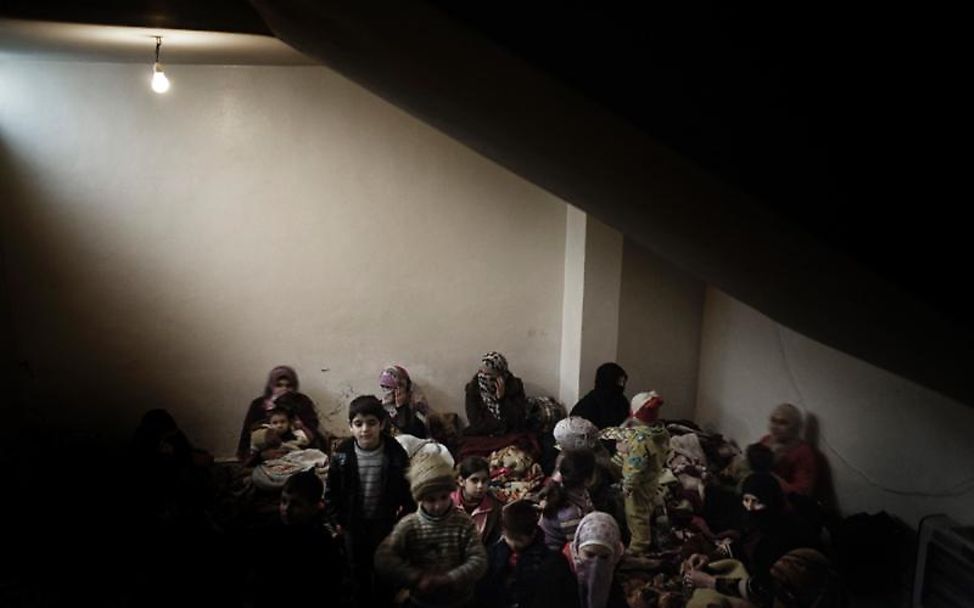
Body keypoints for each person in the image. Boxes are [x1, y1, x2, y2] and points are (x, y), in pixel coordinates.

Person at [325, 395, 415, 606]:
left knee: (384, 569)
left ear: (382, 424)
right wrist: (339, 521)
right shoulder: (342, 454)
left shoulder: (395, 452)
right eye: (358, 424)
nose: (365, 429)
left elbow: (409, 491)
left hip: (384, 524)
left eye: (371, 423)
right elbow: (331, 493)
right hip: (353, 525)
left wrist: (402, 520)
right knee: (358, 571)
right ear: (350, 427)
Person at [374, 453, 488, 608]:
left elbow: (479, 559)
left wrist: (450, 578)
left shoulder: (463, 523)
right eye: (431, 499)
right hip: (422, 602)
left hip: (461, 601)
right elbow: (384, 557)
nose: (438, 505)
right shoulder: (410, 525)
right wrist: (414, 577)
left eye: (443, 497)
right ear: (420, 499)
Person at [250, 469, 345, 607]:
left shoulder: (321, 541)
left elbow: (328, 586)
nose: (286, 509)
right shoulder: (269, 530)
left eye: (296, 504)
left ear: (315, 507)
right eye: (283, 501)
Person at [533, 512, 628, 608]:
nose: (596, 564)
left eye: (604, 557)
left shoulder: (612, 577)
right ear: (577, 549)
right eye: (590, 555)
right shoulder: (553, 575)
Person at [616, 391, 670, 555]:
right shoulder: (661, 432)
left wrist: (628, 485)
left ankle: (639, 546)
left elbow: (636, 465)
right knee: (647, 506)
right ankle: (652, 525)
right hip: (653, 477)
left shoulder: (640, 441)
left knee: (636, 514)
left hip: (638, 483)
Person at [237, 365, 326, 460]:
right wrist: (262, 455)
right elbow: (247, 437)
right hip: (265, 456)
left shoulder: (302, 402)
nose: (284, 389)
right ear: (271, 386)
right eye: (279, 385)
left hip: (299, 453)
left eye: (289, 386)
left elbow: (311, 432)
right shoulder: (258, 405)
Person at [476, 499, 552, 608]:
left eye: (520, 540)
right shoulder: (491, 557)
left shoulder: (550, 563)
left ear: (533, 533)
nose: (514, 544)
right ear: (503, 532)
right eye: (511, 538)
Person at [539, 450, 595, 551]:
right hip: (555, 551)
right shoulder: (569, 513)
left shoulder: (578, 491)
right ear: (587, 480)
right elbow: (577, 545)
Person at [464, 352, 529, 436]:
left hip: (510, 433)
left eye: (489, 374)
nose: (483, 377)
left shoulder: (514, 387)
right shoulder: (473, 389)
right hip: (483, 435)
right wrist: (497, 429)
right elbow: (476, 422)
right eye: (481, 372)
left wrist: (502, 399)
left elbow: (517, 419)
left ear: (501, 376)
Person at [760, 403, 818, 497]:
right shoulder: (766, 440)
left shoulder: (803, 452)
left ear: (796, 427)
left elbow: (801, 493)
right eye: (773, 420)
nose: (775, 427)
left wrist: (768, 476)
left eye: (783, 423)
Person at [452, 456, 502, 545]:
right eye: (474, 480)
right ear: (461, 481)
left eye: (484, 481)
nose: (480, 486)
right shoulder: (448, 504)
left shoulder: (494, 508)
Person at [570, 363, 630, 430]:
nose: (622, 385)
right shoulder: (588, 404)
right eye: (618, 382)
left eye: (623, 382)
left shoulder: (622, 401)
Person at [246, 405, 310, 466]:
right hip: (271, 463)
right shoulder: (265, 436)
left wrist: (302, 427)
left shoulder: (294, 434)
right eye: (275, 423)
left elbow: (306, 442)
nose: (279, 425)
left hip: (293, 461)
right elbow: (255, 452)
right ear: (270, 424)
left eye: (283, 422)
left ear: (288, 423)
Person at [380, 364, 432, 437]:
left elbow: (418, 435)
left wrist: (402, 408)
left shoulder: (417, 409)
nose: (388, 391)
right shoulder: (379, 408)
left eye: (399, 386)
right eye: (384, 387)